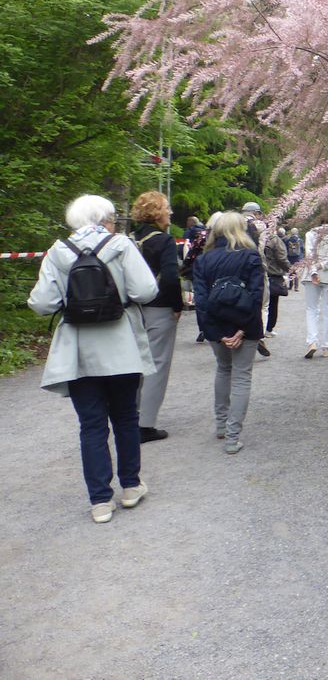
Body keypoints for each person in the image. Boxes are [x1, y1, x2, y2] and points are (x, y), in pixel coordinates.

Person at [27, 194, 158, 523]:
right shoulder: (122, 246)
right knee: (125, 418)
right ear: (106, 220)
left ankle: (100, 501)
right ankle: (131, 486)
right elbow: (145, 291)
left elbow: (42, 303)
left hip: (79, 353)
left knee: (91, 425)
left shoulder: (58, 251)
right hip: (122, 347)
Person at [193, 211, 264, 455]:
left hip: (216, 326)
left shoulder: (204, 260)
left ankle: (222, 425)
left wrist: (216, 332)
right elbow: (256, 297)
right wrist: (242, 330)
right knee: (242, 377)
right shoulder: (251, 257)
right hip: (246, 325)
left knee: (223, 369)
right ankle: (233, 437)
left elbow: (201, 301)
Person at [130, 191, 182, 443]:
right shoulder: (164, 241)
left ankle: (130, 416)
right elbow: (171, 278)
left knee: (135, 364)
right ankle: (145, 424)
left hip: (132, 309)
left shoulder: (128, 240)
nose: (170, 212)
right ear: (156, 212)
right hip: (159, 308)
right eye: (167, 207)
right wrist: (177, 305)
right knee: (157, 364)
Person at [303, 222, 328, 358]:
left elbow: (309, 255)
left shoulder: (310, 233)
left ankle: (312, 342)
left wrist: (314, 270)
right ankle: (327, 346)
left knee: (311, 309)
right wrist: (323, 265)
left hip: (310, 275)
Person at [241, 201, 272, 358]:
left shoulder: (235, 223)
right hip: (257, 266)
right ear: (256, 213)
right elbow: (261, 248)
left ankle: (241, 333)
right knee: (263, 303)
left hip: (237, 267)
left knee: (241, 301)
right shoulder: (260, 225)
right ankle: (260, 335)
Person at [262, 221, 290, 337]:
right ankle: (268, 328)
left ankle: (259, 327)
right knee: (272, 304)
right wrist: (290, 269)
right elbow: (281, 258)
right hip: (273, 274)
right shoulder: (275, 240)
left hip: (259, 273)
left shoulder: (256, 239)